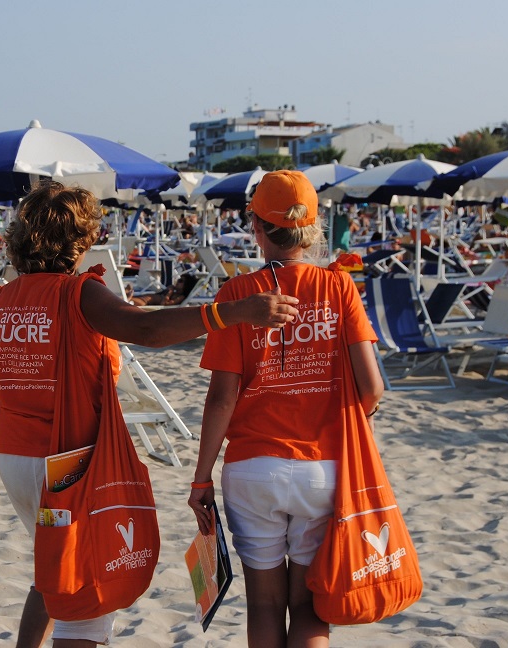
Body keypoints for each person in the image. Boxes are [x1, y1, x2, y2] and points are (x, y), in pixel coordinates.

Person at [0, 180, 300, 648]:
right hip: (72, 465)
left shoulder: (1, 300)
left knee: (57, 567)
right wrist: (230, 312)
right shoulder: (80, 294)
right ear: (84, 238)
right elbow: (147, 328)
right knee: (87, 591)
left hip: (16, 459)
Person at [187, 170, 384, 648]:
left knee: (265, 604)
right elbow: (373, 388)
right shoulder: (338, 288)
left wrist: (200, 477)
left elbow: (221, 397)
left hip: (253, 469)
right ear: (311, 229)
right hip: (322, 466)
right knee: (311, 608)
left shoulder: (235, 297)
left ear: (257, 228)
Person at [129, 273, 199, 306]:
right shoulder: (175, 293)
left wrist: (169, 292)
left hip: (145, 302)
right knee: (125, 298)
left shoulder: (180, 297)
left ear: (186, 285)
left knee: (126, 300)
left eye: (180, 281)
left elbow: (164, 304)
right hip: (144, 299)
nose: (177, 282)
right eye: (178, 280)